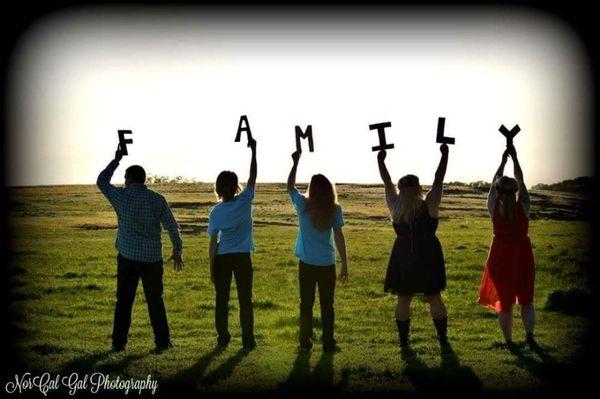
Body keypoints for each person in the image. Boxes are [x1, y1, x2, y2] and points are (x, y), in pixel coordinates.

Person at [97, 145, 184, 352]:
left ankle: (119, 344)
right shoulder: (157, 199)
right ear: (143, 179)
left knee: (124, 302)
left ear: (128, 179)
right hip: (153, 259)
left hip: (127, 257)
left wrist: (116, 159)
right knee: (155, 301)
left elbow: (101, 181)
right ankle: (163, 343)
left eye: (125, 179)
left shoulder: (121, 196)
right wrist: (177, 250)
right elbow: (172, 226)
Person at [376, 144, 451, 352]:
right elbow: (439, 179)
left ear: (400, 188)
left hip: (403, 255)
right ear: (419, 188)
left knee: (403, 299)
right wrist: (444, 155)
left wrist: (381, 161)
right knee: (434, 296)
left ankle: (403, 341)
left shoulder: (395, 205)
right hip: (428, 254)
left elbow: (386, 181)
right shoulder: (429, 205)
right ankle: (443, 338)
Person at [286, 150, 349, 352]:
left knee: (306, 304)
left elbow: (290, 187)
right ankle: (328, 343)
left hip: (307, 263)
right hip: (327, 263)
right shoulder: (334, 208)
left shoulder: (303, 206)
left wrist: (295, 163)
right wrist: (345, 264)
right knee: (327, 305)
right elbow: (339, 236)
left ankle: (305, 342)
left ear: (311, 189)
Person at [478, 144, 536, 346]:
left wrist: (503, 161)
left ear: (498, 191)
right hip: (523, 253)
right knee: (527, 299)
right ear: (516, 191)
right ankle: (529, 336)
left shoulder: (493, 206)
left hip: (500, 255)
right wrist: (516, 159)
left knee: (505, 302)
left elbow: (495, 182)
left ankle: (509, 341)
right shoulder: (524, 205)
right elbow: (521, 180)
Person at [207, 138, 258, 350]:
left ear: (218, 188)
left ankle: (223, 338)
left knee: (222, 300)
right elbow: (253, 176)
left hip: (223, 257)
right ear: (236, 186)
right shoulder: (245, 200)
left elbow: (212, 243)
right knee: (245, 300)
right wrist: (254, 151)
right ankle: (248, 340)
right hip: (242, 256)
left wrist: (211, 267)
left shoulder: (216, 212)